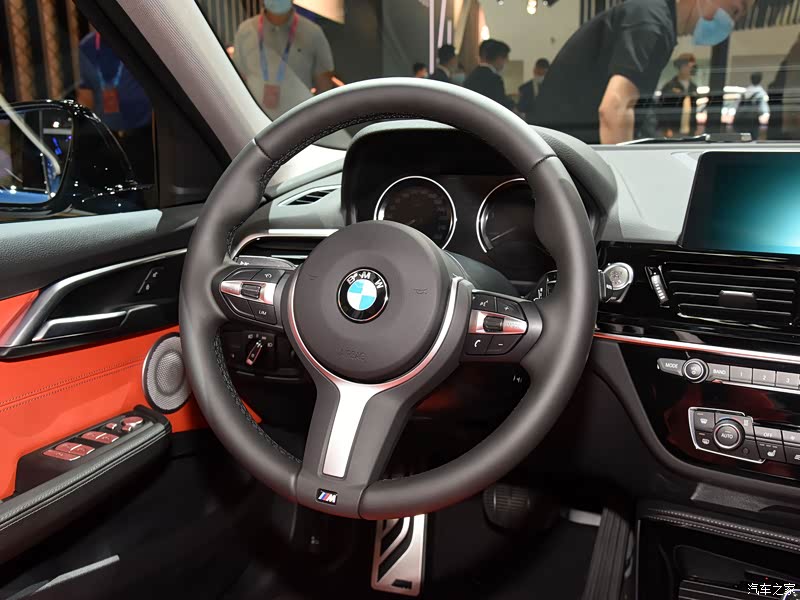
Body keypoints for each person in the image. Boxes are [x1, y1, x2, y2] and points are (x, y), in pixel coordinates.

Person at [535, 0, 751, 144]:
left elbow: (636, 110)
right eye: (735, 10)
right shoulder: (651, 23)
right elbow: (615, 109)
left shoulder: (656, 20)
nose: (733, 22)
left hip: (564, 151)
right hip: (563, 155)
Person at [233, 0, 335, 117]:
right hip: (253, 120)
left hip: (298, 121)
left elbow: (324, 85)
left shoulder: (313, 33)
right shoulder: (245, 31)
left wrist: (312, 117)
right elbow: (238, 80)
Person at [77, 30, 153, 183]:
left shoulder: (139, 40)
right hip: (107, 138)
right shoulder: (87, 46)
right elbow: (86, 95)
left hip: (143, 136)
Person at [464, 39, 514, 110]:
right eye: (505, 58)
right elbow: (499, 105)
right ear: (499, 58)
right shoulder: (495, 79)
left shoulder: (472, 75)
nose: (507, 61)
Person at [659, 53, 699, 137]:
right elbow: (663, 109)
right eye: (687, 66)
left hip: (690, 131)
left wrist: (695, 129)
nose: (689, 69)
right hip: (673, 130)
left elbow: (693, 110)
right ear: (680, 67)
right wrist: (666, 128)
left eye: (692, 66)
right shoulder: (670, 86)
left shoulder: (693, 87)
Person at [735, 72, 770, 139]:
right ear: (760, 80)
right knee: (752, 138)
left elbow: (737, 106)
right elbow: (764, 110)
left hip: (741, 120)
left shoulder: (745, 91)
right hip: (752, 120)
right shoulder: (761, 93)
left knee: (742, 138)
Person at [517, 58, 549, 124]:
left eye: (543, 74)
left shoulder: (551, 88)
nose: (541, 76)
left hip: (547, 121)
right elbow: (520, 107)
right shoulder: (524, 88)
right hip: (530, 121)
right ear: (534, 70)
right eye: (539, 73)